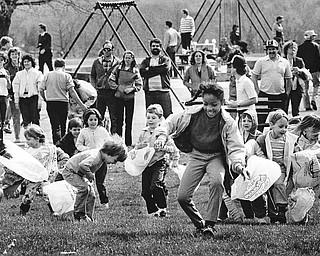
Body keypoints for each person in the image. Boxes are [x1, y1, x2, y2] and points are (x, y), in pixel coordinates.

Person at [154, 83, 248, 236]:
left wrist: (238, 164)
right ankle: (200, 225)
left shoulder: (228, 122)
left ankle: (210, 224)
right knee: (182, 196)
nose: (209, 108)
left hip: (215, 157)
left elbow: (236, 146)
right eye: (205, 104)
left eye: (214, 105)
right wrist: (163, 136)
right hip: (197, 156)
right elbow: (170, 122)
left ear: (222, 103)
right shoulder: (191, 113)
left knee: (217, 182)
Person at [2, 124, 69, 215]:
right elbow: (24, 162)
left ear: (37, 138)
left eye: (29, 139)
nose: (27, 142)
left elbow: (62, 155)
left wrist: (64, 162)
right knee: (28, 195)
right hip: (33, 178)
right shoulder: (29, 150)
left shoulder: (49, 148)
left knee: (47, 194)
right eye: (26, 139)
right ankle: (23, 211)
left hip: (46, 177)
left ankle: (54, 211)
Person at [62, 136, 127, 221]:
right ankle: (79, 214)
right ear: (109, 153)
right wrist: (89, 175)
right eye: (115, 160)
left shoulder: (101, 157)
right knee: (84, 188)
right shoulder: (95, 156)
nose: (114, 163)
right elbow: (82, 165)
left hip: (79, 173)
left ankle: (88, 217)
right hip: (70, 171)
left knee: (92, 194)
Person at [253, 110, 298, 224]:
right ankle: (273, 214)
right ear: (271, 125)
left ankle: (281, 209)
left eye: (286, 127)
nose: (284, 130)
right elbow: (258, 152)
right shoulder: (263, 139)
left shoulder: (289, 140)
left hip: (281, 168)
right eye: (281, 126)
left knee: (278, 185)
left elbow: (296, 151)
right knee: (268, 189)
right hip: (268, 167)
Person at [136, 104, 177, 217]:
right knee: (145, 192)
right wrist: (139, 147)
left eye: (153, 118)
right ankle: (153, 210)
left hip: (159, 161)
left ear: (160, 119)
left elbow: (172, 148)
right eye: (148, 117)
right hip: (146, 163)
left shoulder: (162, 132)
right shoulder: (143, 132)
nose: (150, 120)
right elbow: (137, 147)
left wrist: (163, 147)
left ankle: (162, 208)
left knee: (156, 185)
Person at [39, 58, 87, 144]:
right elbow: (72, 91)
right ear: (64, 66)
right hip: (63, 102)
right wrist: (81, 104)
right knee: (63, 125)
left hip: (51, 102)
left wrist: (45, 98)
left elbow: (41, 89)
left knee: (55, 126)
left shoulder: (47, 75)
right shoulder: (67, 76)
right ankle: (64, 144)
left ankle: (56, 145)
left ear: (54, 66)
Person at [76, 108, 111, 208]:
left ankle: (104, 202)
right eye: (90, 119)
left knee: (100, 182)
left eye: (95, 119)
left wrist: (103, 150)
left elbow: (109, 142)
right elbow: (78, 145)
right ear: (86, 120)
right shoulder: (84, 132)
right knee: (87, 181)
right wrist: (87, 149)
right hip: (88, 160)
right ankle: (87, 201)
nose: (93, 122)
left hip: (100, 160)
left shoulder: (102, 131)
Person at [108, 50, 142, 147]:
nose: (127, 60)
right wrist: (118, 87)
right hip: (119, 97)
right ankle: (118, 142)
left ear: (132, 59)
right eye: (126, 58)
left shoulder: (135, 70)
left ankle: (128, 143)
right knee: (119, 120)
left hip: (129, 98)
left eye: (129, 58)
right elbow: (111, 80)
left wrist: (132, 89)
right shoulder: (118, 68)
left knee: (129, 120)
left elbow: (139, 84)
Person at [251, 39, 292, 112]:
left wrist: (287, 93)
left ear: (277, 49)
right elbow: (254, 77)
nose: (271, 51)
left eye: (273, 49)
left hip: (280, 95)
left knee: (281, 119)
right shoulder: (261, 61)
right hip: (264, 94)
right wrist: (257, 91)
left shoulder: (285, 62)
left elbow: (289, 79)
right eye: (269, 49)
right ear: (266, 50)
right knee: (261, 119)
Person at [90, 40, 120, 133]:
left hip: (112, 92)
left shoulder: (117, 62)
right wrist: (94, 87)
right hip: (100, 92)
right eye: (105, 49)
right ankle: (99, 135)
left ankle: (114, 137)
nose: (107, 51)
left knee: (113, 117)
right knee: (99, 116)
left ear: (112, 50)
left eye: (109, 49)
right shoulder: (97, 62)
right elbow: (92, 76)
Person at [140, 38, 173, 118]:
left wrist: (150, 69)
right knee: (151, 115)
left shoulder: (165, 59)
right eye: (153, 46)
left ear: (161, 48)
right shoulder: (146, 61)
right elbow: (142, 72)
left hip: (163, 92)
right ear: (150, 48)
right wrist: (158, 70)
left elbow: (165, 68)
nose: (155, 47)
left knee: (167, 115)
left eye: (157, 46)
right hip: (150, 93)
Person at [12, 54, 43, 127]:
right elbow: (16, 89)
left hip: (33, 98)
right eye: (24, 62)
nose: (26, 63)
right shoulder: (19, 74)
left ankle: (37, 136)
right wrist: (16, 101)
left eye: (28, 61)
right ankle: (28, 137)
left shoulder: (37, 73)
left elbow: (40, 89)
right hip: (23, 99)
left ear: (32, 62)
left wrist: (40, 102)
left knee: (35, 119)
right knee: (26, 120)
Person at [297, 30, 320, 111]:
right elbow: (318, 58)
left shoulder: (300, 47)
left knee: (305, 88)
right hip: (315, 69)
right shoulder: (316, 46)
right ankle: (313, 98)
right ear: (311, 37)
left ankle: (307, 105)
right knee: (316, 85)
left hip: (304, 69)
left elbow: (298, 59)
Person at [3, 47, 22, 141]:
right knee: (16, 115)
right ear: (10, 56)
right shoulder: (7, 67)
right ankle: (17, 136)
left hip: (25, 94)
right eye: (12, 54)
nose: (15, 56)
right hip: (13, 94)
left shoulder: (23, 65)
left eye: (16, 54)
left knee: (27, 116)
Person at [283, 41, 306, 117]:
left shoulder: (299, 61)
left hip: (296, 88)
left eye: (295, 49)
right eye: (291, 48)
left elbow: (305, 75)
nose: (293, 50)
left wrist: (299, 71)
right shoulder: (282, 60)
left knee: (296, 111)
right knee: (283, 110)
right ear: (286, 49)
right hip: (284, 88)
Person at [0, 52, 11, 130]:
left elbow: (9, 87)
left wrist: (7, 79)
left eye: (1, 60)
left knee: (3, 117)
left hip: (4, 95)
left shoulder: (6, 71)